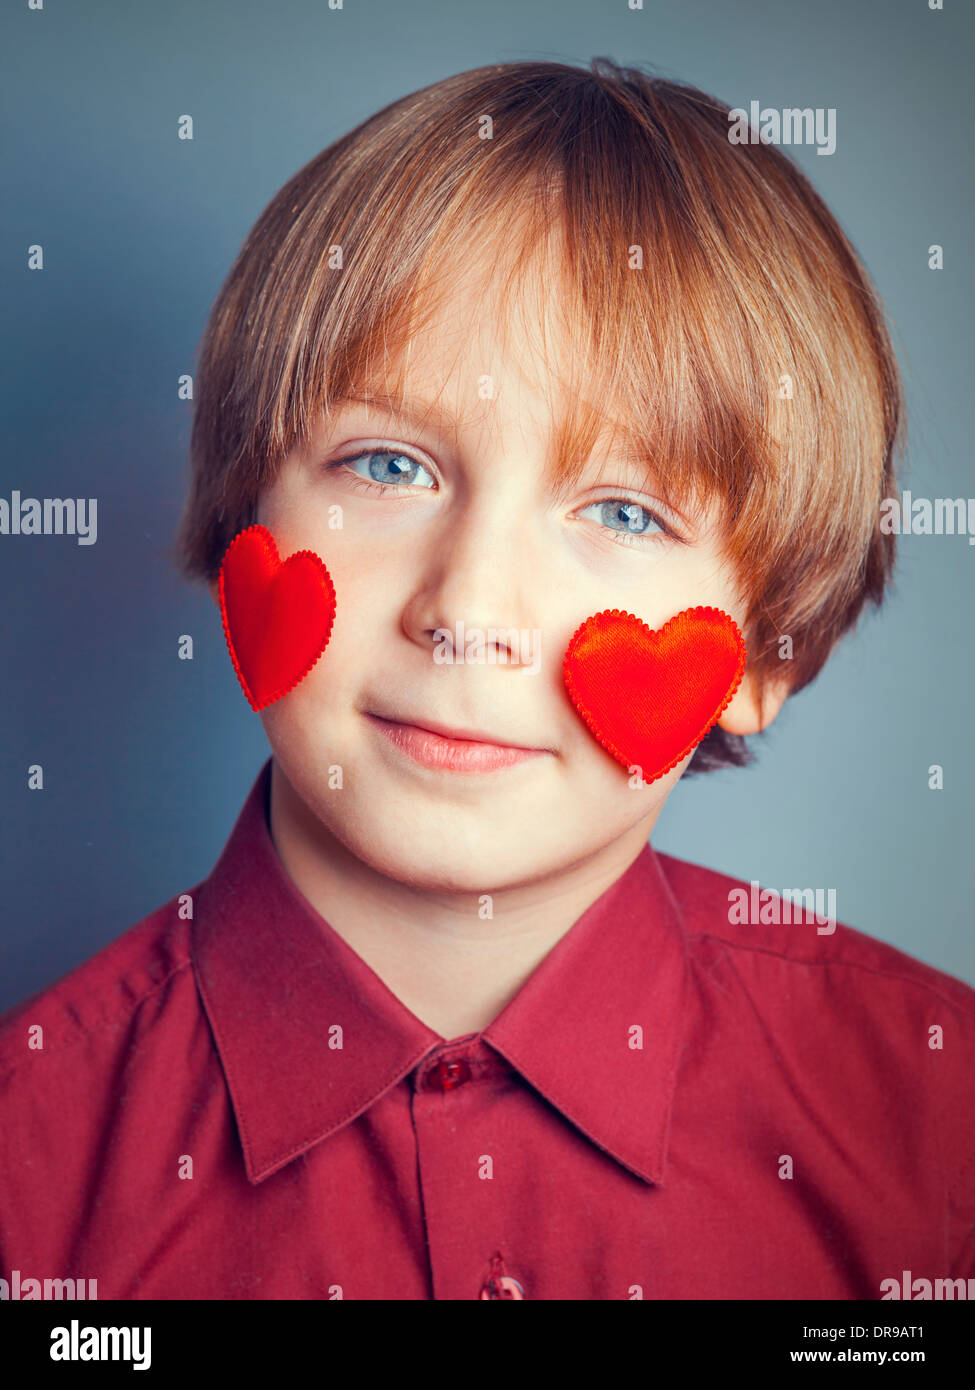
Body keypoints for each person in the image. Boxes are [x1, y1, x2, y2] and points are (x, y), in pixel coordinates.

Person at [2, 58, 972, 1302]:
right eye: (387, 467)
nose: (466, 612)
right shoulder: (34, 1174)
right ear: (242, 519)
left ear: (770, 658)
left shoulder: (938, 1131)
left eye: (623, 509)